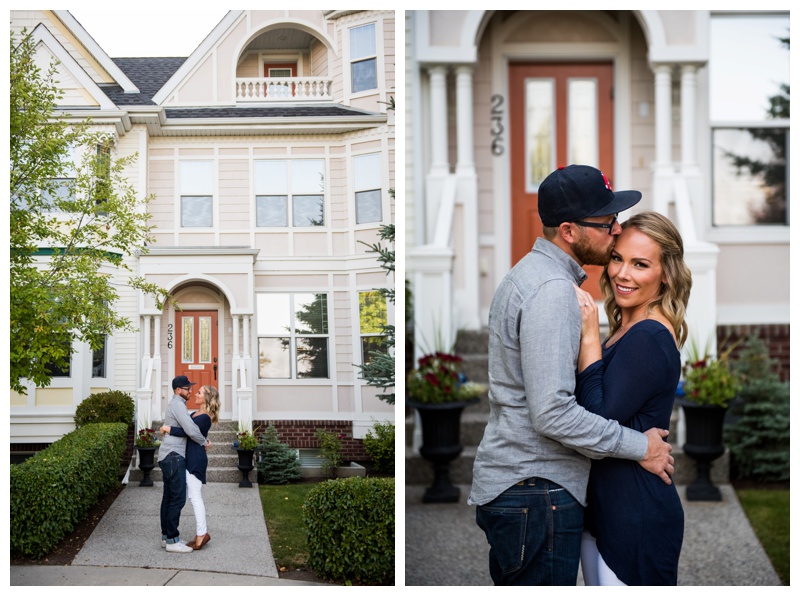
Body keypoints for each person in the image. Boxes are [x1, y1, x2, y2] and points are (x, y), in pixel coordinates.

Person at [468, 164, 675, 586]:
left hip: (529, 489)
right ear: (568, 230)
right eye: (606, 223)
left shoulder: (532, 276)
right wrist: (642, 447)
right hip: (536, 489)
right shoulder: (552, 291)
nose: (616, 230)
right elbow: (552, 414)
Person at [573, 211, 691, 585]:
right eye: (618, 258)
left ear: (666, 273)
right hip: (607, 512)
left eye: (640, 264)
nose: (622, 274)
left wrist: (589, 337)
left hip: (635, 519)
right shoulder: (630, 328)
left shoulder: (650, 336)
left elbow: (597, 417)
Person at [161, 385, 220, 551]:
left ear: (207, 398)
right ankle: (172, 535)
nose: (196, 393)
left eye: (199, 392)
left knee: (194, 496)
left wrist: (169, 429)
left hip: (195, 460)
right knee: (184, 496)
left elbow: (187, 432)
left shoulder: (205, 417)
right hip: (188, 457)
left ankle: (202, 534)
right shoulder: (195, 414)